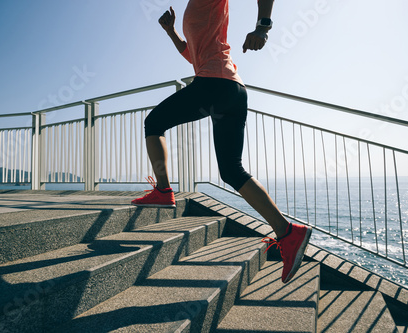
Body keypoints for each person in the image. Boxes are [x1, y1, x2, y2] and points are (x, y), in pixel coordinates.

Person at [131, 0, 312, 284]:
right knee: (230, 170)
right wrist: (171, 31)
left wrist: (263, 27)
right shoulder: (195, 9)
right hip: (230, 89)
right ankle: (288, 232)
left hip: (214, 85)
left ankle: (164, 190)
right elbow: (194, 55)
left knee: (154, 123)